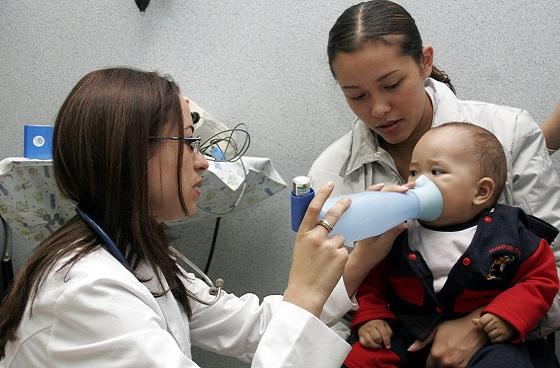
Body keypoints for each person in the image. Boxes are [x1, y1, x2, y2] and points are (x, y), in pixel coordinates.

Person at [0, 67, 402, 368]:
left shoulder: (136, 255)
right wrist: (304, 291)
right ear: (129, 152)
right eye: (188, 142)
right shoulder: (85, 292)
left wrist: (361, 258)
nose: (204, 162)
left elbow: (253, 328)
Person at [308, 1, 560, 366]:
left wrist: (480, 328)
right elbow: (322, 303)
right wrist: (369, 317)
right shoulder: (331, 174)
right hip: (395, 344)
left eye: (392, 84)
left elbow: (552, 271)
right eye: (357, 96)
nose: (378, 109)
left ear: (425, 61)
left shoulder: (507, 134)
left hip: (503, 342)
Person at [344, 122, 559, 368]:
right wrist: (372, 316)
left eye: (436, 172)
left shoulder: (509, 232)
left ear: (481, 191)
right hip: (405, 330)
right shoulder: (399, 228)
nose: (418, 183)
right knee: (361, 357)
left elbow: (541, 279)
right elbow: (372, 279)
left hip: (484, 335)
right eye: (414, 172)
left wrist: (507, 315)